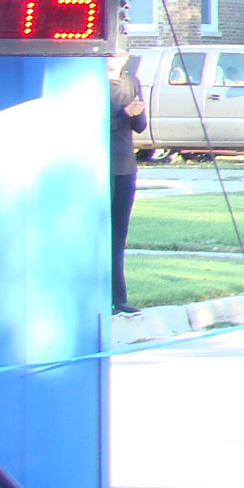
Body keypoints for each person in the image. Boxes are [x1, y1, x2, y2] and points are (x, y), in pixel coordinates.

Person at [108, 50, 146, 315]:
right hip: (100, 168)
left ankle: (118, 298)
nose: (112, 59)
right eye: (109, 54)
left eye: (118, 54)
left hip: (124, 167)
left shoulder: (132, 82)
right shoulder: (91, 84)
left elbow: (140, 126)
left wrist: (135, 113)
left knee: (118, 234)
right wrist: (123, 114)